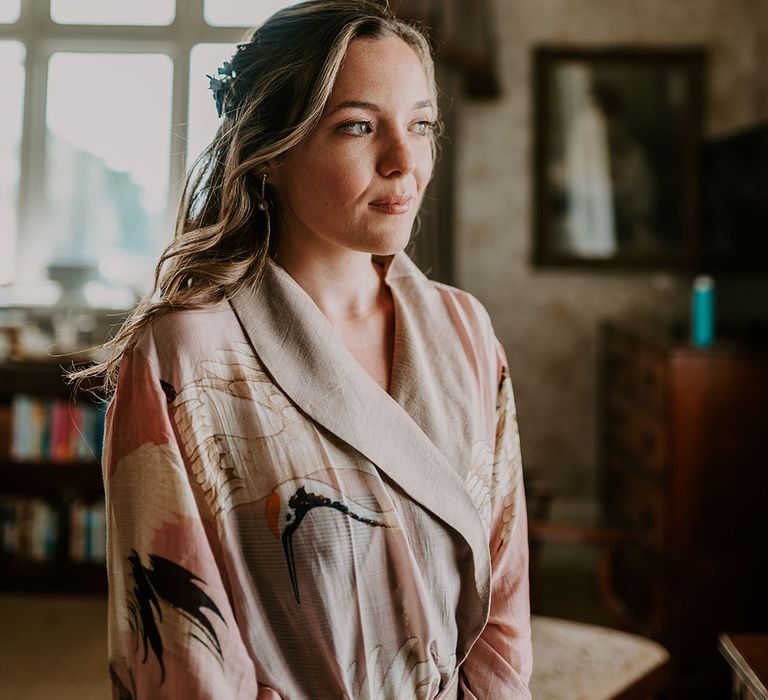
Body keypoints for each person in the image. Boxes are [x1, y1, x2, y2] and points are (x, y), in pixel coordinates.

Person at [83, 1, 532, 697]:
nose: (403, 162)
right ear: (272, 152)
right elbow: (181, 647)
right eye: (357, 126)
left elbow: (504, 592)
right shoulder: (186, 356)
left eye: (420, 125)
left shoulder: (465, 331)